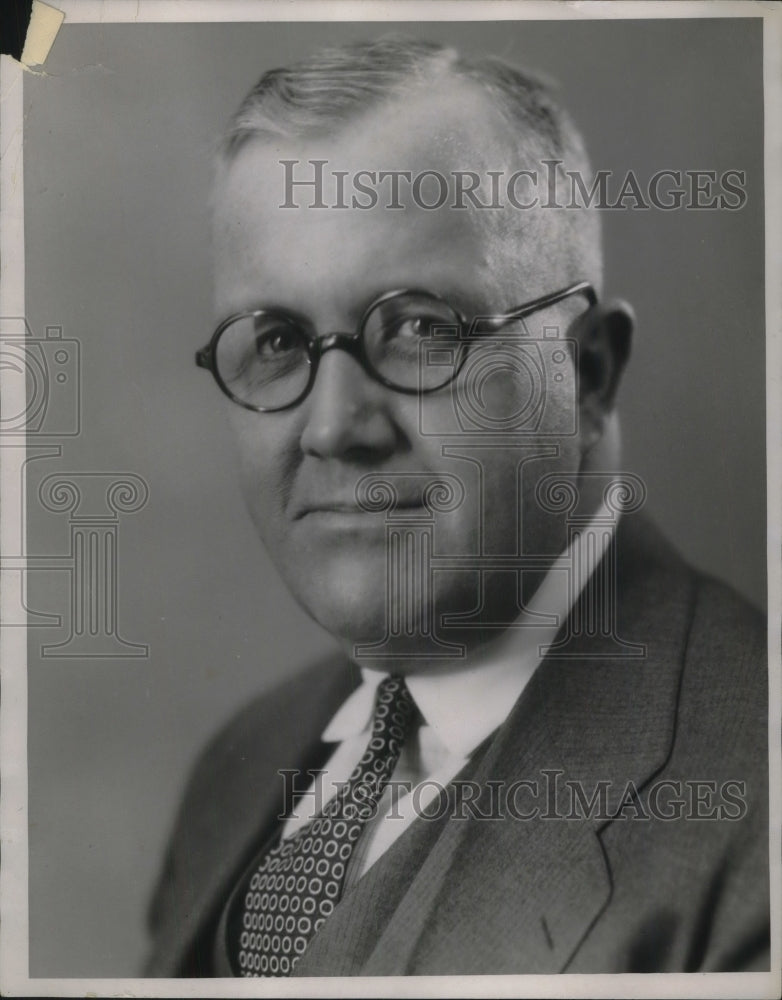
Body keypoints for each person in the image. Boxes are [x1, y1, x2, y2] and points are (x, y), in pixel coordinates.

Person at [144, 37, 769, 977]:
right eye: (276, 341)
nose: (334, 426)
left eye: (421, 330)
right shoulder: (241, 768)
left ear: (589, 374)